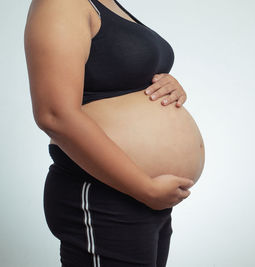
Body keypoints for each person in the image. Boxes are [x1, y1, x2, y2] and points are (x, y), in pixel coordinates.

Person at [24, 0, 199, 266]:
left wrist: (169, 85)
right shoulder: (61, 3)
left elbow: (116, 73)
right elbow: (54, 114)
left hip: (146, 200)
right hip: (105, 194)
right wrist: (146, 188)